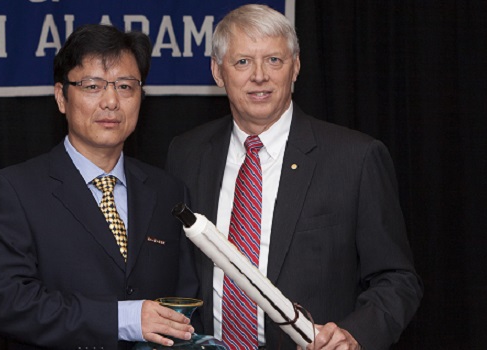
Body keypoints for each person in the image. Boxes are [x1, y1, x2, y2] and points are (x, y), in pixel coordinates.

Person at [166, 4, 422, 350]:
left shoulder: (355, 158)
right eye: (243, 62)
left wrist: (355, 334)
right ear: (217, 71)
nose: (259, 75)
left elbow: (398, 279)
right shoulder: (186, 153)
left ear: (296, 67)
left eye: (274, 60)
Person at [0, 24, 199, 350]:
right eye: (92, 86)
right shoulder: (15, 191)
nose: (110, 101)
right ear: (61, 97)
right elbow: (9, 302)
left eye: (125, 86)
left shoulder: (168, 191)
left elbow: (186, 299)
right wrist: (124, 319)